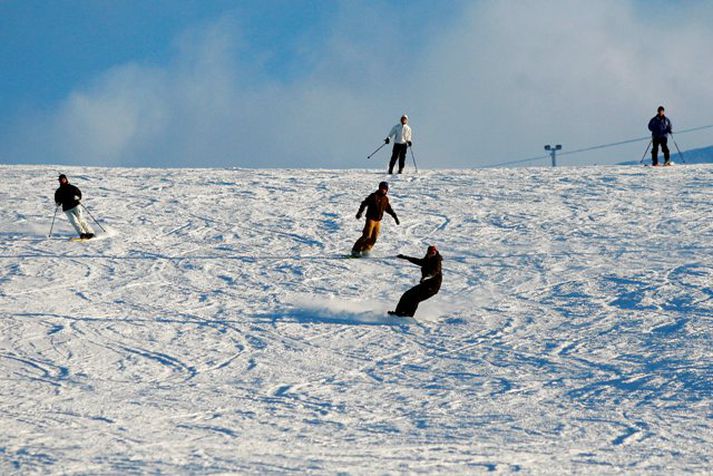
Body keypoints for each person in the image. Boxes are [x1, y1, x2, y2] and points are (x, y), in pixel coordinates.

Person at [389, 245, 442, 317]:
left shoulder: (437, 261)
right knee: (407, 295)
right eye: (429, 253)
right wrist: (405, 257)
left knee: (415, 298)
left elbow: (435, 271)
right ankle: (398, 313)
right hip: (425, 285)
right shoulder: (427, 260)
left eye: (432, 253)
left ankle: (408, 316)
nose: (430, 255)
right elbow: (417, 261)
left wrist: (427, 277)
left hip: (433, 287)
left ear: (435, 253)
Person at [351, 181, 399, 257]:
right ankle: (355, 250)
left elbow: (388, 209)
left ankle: (366, 250)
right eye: (382, 188)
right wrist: (360, 212)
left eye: (385, 189)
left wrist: (395, 217)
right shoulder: (373, 196)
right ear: (379, 188)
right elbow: (364, 203)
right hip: (371, 219)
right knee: (367, 235)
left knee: (374, 237)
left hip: (378, 221)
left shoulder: (385, 199)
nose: (383, 190)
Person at [54, 174, 95, 239]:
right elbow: (57, 199)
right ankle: (82, 234)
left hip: (75, 206)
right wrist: (57, 203)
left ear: (66, 179)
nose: (62, 181)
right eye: (61, 180)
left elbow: (79, 194)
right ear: (59, 181)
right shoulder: (58, 191)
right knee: (74, 221)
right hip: (66, 209)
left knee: (80, 219)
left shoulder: (72, 187)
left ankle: (90, 233)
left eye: (63, 179)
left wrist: (77, 197)